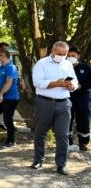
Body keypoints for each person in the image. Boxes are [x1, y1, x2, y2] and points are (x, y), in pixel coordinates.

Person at [30, 41, 78, 175]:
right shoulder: (42, 63)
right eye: (59, 54)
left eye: (64, 54)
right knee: (40, 132)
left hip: (64, 103)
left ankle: (61, 164)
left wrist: (72, 86)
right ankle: (38, 160)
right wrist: (55, 83)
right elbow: (37, 82)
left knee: (63, 135)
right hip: (44, 102)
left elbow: (75, 80)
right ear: (53, 51)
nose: (62, 56)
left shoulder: (68, 64)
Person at [0, 49, 20, 147]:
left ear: (4, 56)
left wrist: (0, 94)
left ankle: (11, 140)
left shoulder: (11, 67)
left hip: (11, 98)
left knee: (7, 119)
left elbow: (9, 82)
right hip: (2, 96)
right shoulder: (2, 67)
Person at [67, 47, 91, 151]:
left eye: (73, 56)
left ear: (78, 56)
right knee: (67, 119)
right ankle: (68, 142)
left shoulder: (85, 68)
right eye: (69, 56)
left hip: (83, 98)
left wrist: (82, 86)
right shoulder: (64, 67)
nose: (71, 57)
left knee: (83, 119)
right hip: (68, 97)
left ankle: (83, 142)